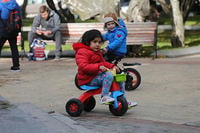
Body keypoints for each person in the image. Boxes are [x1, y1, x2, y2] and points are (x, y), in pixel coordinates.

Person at [73, 29, 137, 107]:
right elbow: (83, 66)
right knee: (108, 75)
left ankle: (123, 99)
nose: (97, 44)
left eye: (99, 42)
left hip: (96, 76)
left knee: (120, 78)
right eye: (95, 42)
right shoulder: (82, 52)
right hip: (87, 79)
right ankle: (104, 96)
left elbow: (103, 62)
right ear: (87, 42)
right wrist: (98, 67)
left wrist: (113, 66)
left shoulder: (97, 52)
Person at [0, 0, 21, 71]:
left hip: (3, 29)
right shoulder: (14, 3)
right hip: (13, 29)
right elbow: (20, 15)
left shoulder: (0, 3)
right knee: (14, 48)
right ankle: (16, 66)